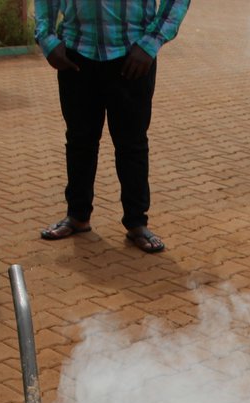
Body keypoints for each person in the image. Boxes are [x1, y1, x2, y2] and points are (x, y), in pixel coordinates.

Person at [34, 0, 189, 255]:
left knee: (132, 144)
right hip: (76, 54)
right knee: (79, 141)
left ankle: (137, 222)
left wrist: (151, 44)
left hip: (132, 55)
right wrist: (48, 39)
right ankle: (77, 216)